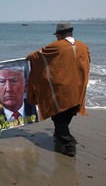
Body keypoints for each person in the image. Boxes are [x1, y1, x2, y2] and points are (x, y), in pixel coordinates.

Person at [26, 23, 90, 156]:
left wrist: (28, 58)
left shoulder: (57, 46)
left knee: (58, 117)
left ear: (60, 35)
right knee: (69, 112)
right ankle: (60, 134)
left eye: (57, 36)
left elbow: (38, 56)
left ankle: (69, 143)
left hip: (62, 90)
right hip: (78, 88)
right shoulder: (84, 47)